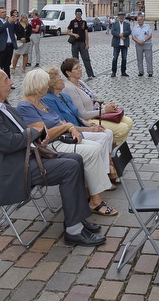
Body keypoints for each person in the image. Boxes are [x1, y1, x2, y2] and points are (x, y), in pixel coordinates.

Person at [0, 69, 105, 247]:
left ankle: (77, 219)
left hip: (26, 158)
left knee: (76, 159)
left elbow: (20, 137)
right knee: (69, 167)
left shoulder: (4, 107)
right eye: (6, 80)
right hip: (12, 170)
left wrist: (38, 136)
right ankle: (73, 231)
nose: (11, 83)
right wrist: (36, 132)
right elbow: (10, 143)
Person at [17, 69, 118, 216]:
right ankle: (95, 200)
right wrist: (67, 126)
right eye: (46, 84)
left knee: (96, 146)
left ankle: (90, 193)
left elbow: (59, 121)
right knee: (93, 150)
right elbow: (42, 135)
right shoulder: (26, 106)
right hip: (48, 147)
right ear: (39, 86)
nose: (48, 86)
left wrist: (68, 127)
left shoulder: (39, 102)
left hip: (61, 139)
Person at [41, 65, 118, 184]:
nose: (63, 81)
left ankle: (105, 170)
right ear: (52, 84)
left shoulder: (64, 96)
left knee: (107, 132)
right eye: (60, 78)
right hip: (70, 133)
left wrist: (90, 126)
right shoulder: (48, 100)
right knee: (102, 136)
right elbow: (63, 124)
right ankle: (102, 176)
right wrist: (89, 130)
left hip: (79, 127)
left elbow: (78, 116)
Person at [62, 58, 134, 146]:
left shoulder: (80, 82)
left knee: (128, 121)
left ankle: (112, 147)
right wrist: (105, 110)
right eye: (76, 68)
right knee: (122, 128)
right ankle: (111, 152)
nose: (80, 69)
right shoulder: (70, 88)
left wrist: (107, 107)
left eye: (80, 67)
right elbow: (82, 115)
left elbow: (93, 100)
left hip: (98, 113)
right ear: (68, 73)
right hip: (89, 119)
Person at [66, 8, 95, 79]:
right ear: (75, 14)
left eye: (79, 14)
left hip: (82, 43)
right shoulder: (72, 22)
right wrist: (74, 34)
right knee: (75, 60)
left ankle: (90, 74)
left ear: (81, 14)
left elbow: (86, 33)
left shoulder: (84, 22)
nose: (78, 15)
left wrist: (87, 43)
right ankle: (75, 74)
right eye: (77, 14)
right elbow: (68, 31)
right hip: (75, 43)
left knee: (86, 59)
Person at [109, 11, 131, 77]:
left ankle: (123, 71)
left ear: (123, 17)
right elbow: (112, 31)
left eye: (122, 16)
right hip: (116, 43)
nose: (121, 17)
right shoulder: (114, 24)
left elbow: (129, 31)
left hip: (124, 43)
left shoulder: (127, 24)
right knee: (115, 58)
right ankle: (113, 72)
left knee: (124, 58)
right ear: (118, 17)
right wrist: (119, 35)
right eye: (119, 16)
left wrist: (123, 34)